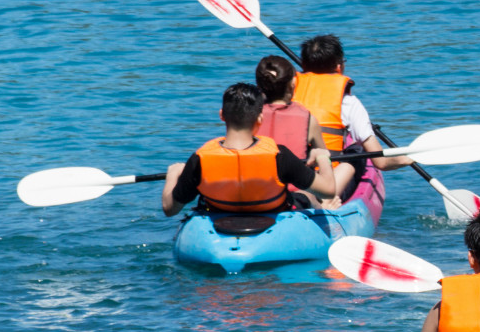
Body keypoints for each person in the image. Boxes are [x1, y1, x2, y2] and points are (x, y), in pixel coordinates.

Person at [160, 83, 336, 218]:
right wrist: (322, 157)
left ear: (221, 115)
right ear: (260, 118)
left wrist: (173, 175)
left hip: (220, 213)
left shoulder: (199, 159)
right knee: (306, 195)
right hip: (272, 212)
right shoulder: (279, 155)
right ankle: (327, 211)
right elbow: (328, 189)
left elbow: (170, 209)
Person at [293, 34, 414, 207]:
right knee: (356, 151)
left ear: (303, 65)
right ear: (339, 66)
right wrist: (409, 157)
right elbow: (381, 162)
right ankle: (326, 199)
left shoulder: (284, 94)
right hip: (326, 182)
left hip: (290, 175)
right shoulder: (349, 103)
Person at [253, 54, 331, 168]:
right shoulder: (309, 120)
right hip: (296, 184)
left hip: (260, 183)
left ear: (259, 85)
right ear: (293, 84)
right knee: (347, 166)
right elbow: (325, 158)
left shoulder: (248, 117)